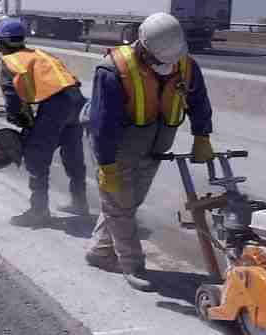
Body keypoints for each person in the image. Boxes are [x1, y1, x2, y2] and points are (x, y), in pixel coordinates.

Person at [85, 12, 215, 291]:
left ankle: (99, 251)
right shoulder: (113, 70)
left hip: (154, 148)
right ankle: (132, 265)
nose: (166, 67)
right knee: (120, 206)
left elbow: (199, 101)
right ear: (143, 46)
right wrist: (106, 165)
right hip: (116, 147)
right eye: (159, 62)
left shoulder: (185, 65)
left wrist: (202, 136)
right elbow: (102, 123)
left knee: (124, 205)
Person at [0, 18, 88, 226]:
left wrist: (20, 121)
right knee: (72, 152)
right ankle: (79, 202)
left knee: (36, 155)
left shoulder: (8, 61)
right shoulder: (40, 54)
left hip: (56, 105)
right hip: (77, 100)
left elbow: (12, 96)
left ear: (1, 42)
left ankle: (38, 212)